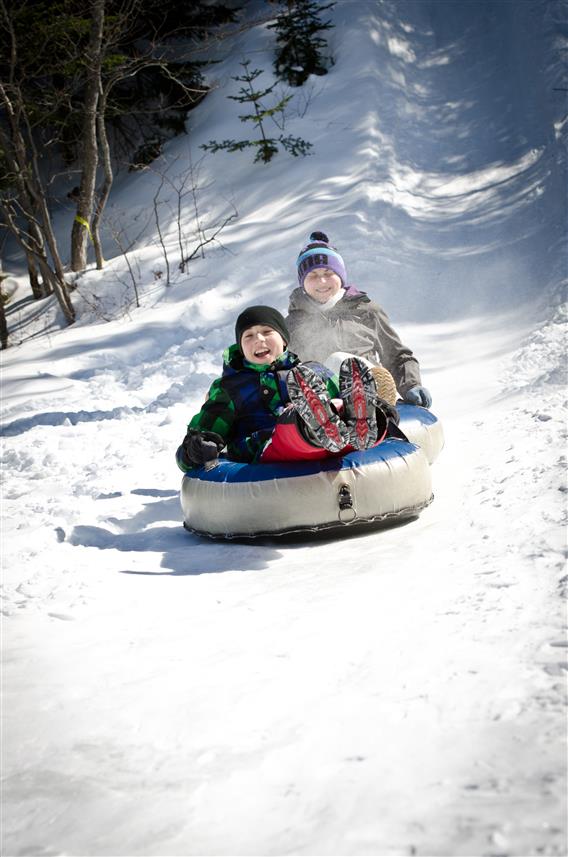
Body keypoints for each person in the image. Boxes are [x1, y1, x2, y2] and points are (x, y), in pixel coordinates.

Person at [176, 305, 400, 472]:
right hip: (268, 446)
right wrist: (194, 448)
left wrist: (384, 412)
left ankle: (363, 420)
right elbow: (199, 438)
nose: (259, 340)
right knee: (293, 421)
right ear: (241, 347)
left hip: (333, 444)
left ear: (283, 340)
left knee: (340, 406)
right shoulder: (230, 387)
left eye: (266, 331)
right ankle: (315, 422)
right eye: (249, 336)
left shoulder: (311, 372)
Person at [286, 231, 432, 408]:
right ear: (303, 282)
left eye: (328, 272)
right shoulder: (291, 324)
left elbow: (396, 355)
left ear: (340, 275)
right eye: (313, 275)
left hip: (372, 391)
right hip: (322, 401)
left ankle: (371, 397)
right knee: (332, 362)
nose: (322, 281)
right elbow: (281, 369)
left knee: (345, 361)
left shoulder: (366, 311)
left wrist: (411, 384)